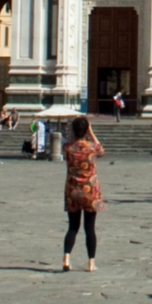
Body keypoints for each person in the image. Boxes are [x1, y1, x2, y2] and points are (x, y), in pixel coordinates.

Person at [61, 115, 104, 272]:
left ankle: (66, 257)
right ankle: (91, 263)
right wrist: (91, 132)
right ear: (86, 129)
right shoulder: (92, 148)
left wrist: (74, 134)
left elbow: (66, 145)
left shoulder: (68, 148)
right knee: (90, 228)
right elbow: (101, 149)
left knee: (72, 227)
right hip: (90, 192)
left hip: (72, 191)